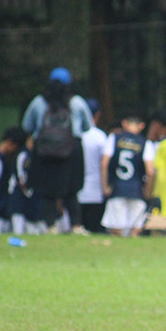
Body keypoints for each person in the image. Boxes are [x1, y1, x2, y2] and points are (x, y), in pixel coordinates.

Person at [21, 67, 94, 235]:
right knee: (71, 189)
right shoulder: (77, 102)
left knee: (46, 190)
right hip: (71, 150)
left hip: (44, 150)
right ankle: (76, 226)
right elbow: (88, 126)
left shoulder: (39, 101)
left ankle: (50, 226)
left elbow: (27, 125)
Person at [101, 110, 154, 237]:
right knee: (135, 230)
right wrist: (148, 190)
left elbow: (104, 163)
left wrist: (105, 186)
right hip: (137, 189)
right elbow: (150, 171)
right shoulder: (145, 143)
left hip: (117, 187)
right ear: (142, 126)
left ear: (124, 124)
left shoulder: (114, 138)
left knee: (116, 230)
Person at [78, 98, 109, 234]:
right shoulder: (100, 137)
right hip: (96, 191)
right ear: (97, 115)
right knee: (95, 230)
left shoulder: (76, 134)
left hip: (76, 191)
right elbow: (105, 164)